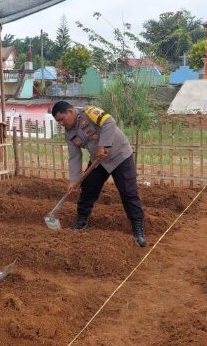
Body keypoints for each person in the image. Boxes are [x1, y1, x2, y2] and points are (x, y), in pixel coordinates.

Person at [51, 101, 147, 247]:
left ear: (70, 112)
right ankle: (81, 221)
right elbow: (74, 157)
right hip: (99, 160)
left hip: (120, 155)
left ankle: (138, 228)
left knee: (128, 192)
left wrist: (103, 145)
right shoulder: (69, 133)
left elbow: (109, 122)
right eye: (58, 122)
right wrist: (74, 180)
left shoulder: (89, 112)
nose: (61, 123)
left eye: (61, 119)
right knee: (88, 188)